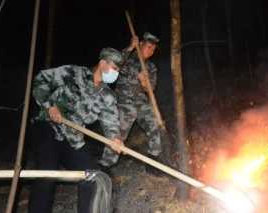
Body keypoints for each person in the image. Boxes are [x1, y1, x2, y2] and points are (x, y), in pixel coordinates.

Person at [28, 47, 124, 213]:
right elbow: (40, 80)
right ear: (102, 63)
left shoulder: (107, 95)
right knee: (47, 175)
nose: (116, 73)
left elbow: (111, 121)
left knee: (93, 176)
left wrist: (115, 138)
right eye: (114, 68)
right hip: (48, 128)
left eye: (118, 70)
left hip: (73, 138)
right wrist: (50, 106)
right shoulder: (73, 73)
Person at [105, 32, 165, 172]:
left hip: (140, 101)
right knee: (120, 131)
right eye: (148, 47)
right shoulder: (128, 60)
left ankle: (153, 161)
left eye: (153, 49)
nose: (150, 51)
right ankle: (106, 164)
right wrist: (130, 47)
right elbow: (114, 62)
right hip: (124, 99)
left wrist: (144, 82)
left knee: (154, 122)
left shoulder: (150, 67)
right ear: (141, 44)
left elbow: (151, 88)